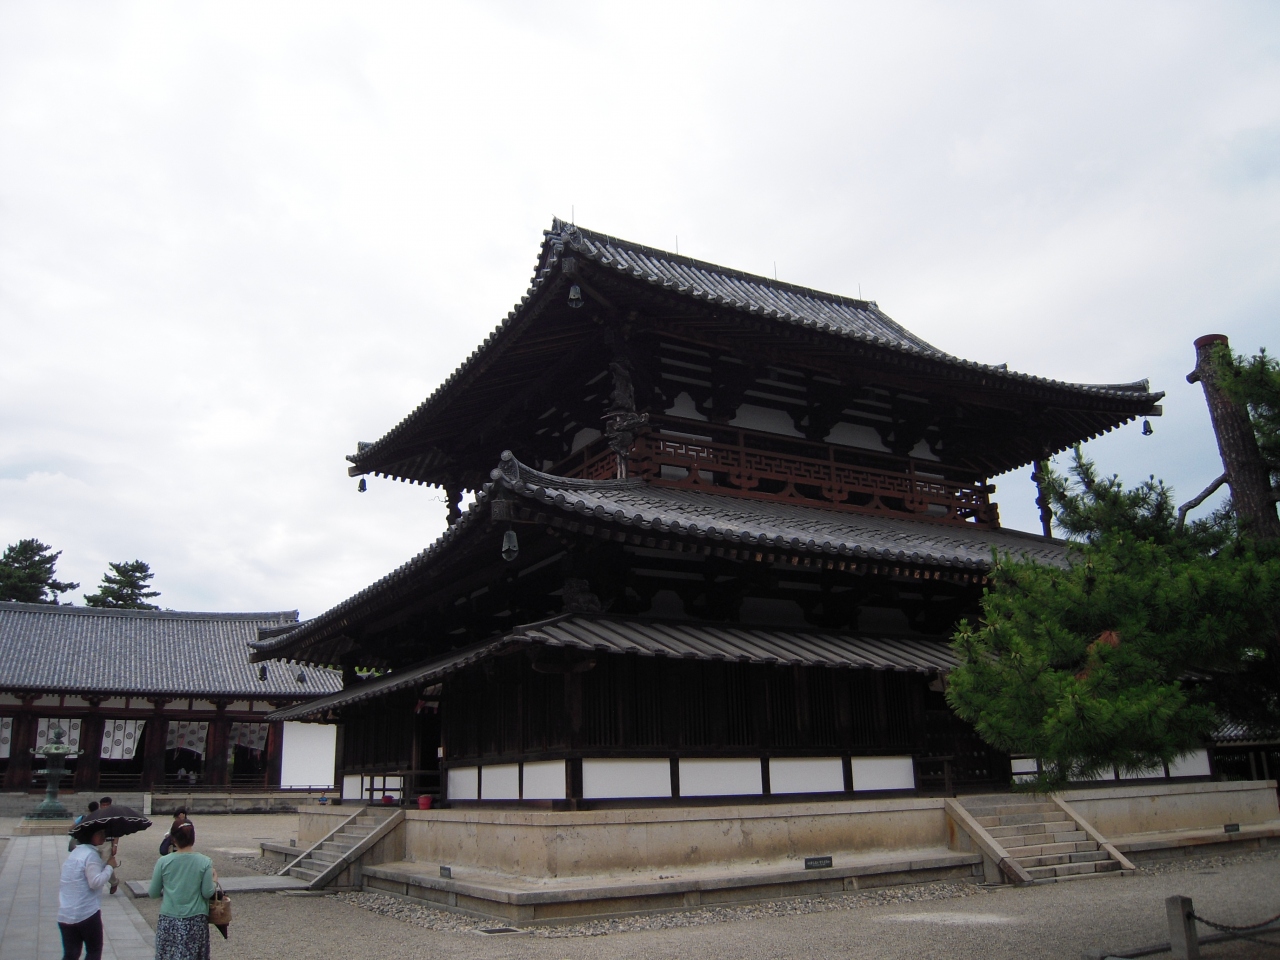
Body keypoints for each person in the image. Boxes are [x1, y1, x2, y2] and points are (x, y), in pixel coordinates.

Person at [149, 821, 216, 960]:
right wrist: (214, 881)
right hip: (195, 919)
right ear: (193, 838)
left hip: (169, 919)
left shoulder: (163, 862)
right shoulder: (204, 861)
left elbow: (153, 892)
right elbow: (207, 892)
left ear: (173, 839)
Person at [58, 826, 117, 960]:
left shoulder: (75, 853)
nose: (103, 835)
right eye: (99, 833)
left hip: (66, 913)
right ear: (90, 835)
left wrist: (104, 865)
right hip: (86, 913)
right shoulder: (91, 855)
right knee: (94, 951)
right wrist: (109, 867)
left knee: (71, 954)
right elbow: (95, 882)